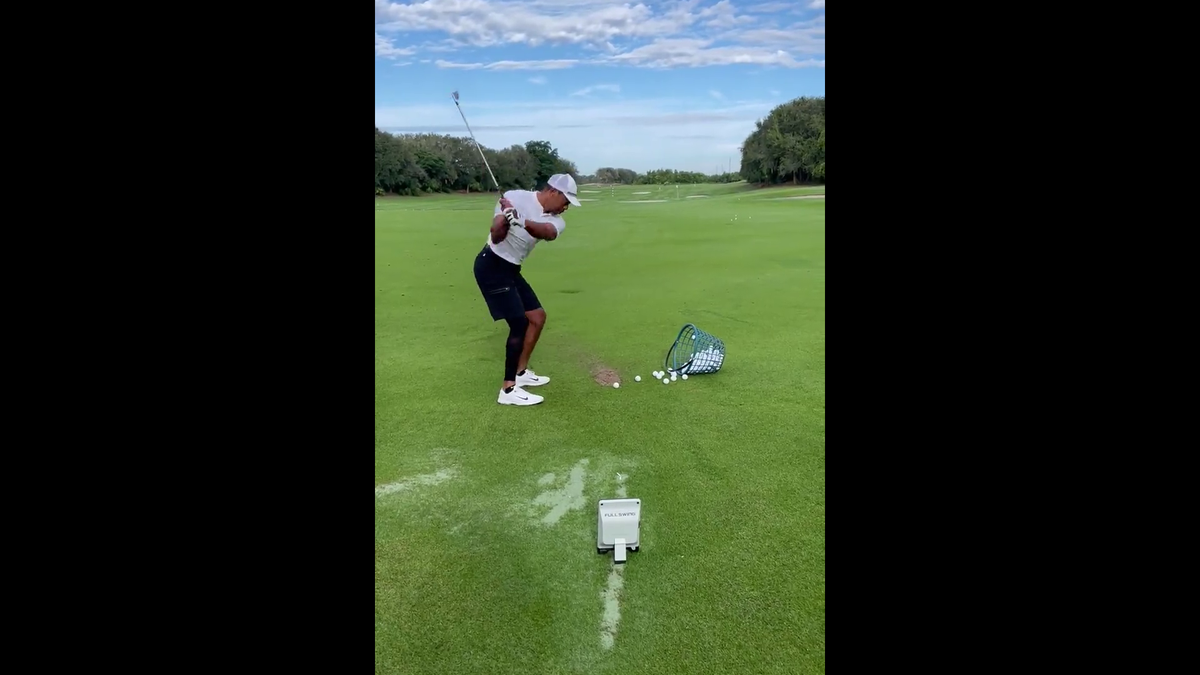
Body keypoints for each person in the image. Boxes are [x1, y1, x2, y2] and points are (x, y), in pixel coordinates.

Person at [473, 173, 581, 406]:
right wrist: (504, 218)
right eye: (566, 201)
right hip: (491, 265)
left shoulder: (557, 221)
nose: (566, 208)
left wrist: (520, 220)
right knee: (519, 323)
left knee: (537, 317)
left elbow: (548, 233)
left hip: (511, 269)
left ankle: (520, 374)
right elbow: (496, 235)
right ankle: (508, 389)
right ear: (553, 192)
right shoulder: (514, 197)